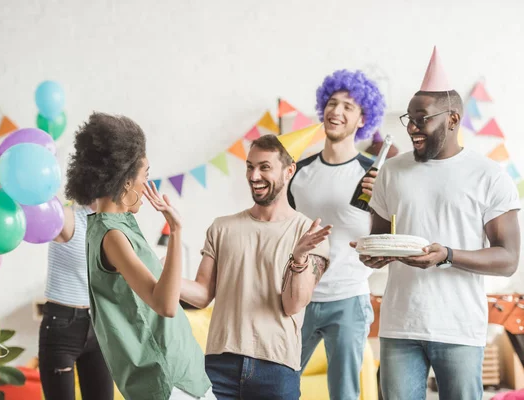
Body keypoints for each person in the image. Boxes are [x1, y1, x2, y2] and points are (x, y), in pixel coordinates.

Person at [353, 47, 521, 400]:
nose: (412, 128)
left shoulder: (489, 176)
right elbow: (380, 238)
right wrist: (372, 255)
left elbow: (508, 259)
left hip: (459, 327)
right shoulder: (392, 172)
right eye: (409, 119)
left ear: (453, 119)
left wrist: (446, 255)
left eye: (422, 119)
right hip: (400, 326)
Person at [64, 112, 214, 400]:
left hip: (176, 375)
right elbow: (166, 304)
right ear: (124, 180)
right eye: (145, 176)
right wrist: (176, 229)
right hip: (168, 379)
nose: (147, 186)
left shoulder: (109, 226)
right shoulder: (113, 236)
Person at [180, 131, 332, 400]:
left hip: (275, 369)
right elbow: (202, 294)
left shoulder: (308, 234)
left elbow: (293, 304)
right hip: (219, 366)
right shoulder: (222, 227)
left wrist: (298, 258)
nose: (253, 176)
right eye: (250, 167)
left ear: (289, 171)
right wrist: (156, 273)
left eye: (265, 167)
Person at [287, 69, 386, 400]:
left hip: (348, 298)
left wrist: (381, 202)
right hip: (298, 298)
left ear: (362, 119)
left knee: (343, 394)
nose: (336, 111)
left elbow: (387, 238)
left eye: (348, 106)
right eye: (332, 103)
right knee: (278, 385)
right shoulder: (297, 173)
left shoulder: (373, 175)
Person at [38, 201, 114, 400]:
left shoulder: (112, 226)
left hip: (98, 326)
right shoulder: (67, 217)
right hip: (62, 326)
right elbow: (36, 200)